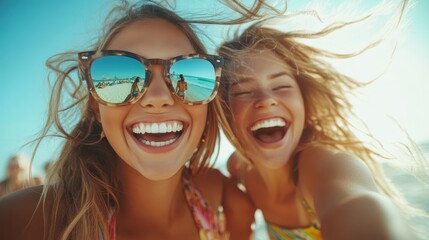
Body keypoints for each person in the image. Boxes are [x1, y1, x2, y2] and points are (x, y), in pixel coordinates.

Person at [0, 2, 254, 240]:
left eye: (186, 74)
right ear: (97, 108)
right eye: (123, 76)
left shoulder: (217, 190)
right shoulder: (31, 219)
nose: (158, 98)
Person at [216, 1, 426, 239]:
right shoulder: (239, 169)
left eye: (282, 85)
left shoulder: (322, 162)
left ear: (304, 102)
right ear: (225, 111)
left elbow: (357, 203)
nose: (266, 100)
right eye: (242, 91)